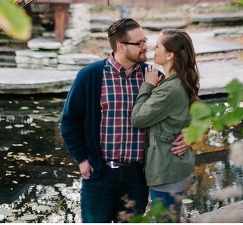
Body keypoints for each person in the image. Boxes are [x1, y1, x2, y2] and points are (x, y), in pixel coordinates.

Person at [60, 18, 190, 223]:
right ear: (120, 46)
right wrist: (82, 159)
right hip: (99, 174)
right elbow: (70, 121)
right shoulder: (90, 76)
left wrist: (192, 134)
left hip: (138, 176)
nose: (145, 47)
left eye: (144, 41)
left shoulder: (154, 76)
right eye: (139, 43)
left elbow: (184, 108)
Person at [131, 29, 198, 221]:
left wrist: (148, 86)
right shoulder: (180, 80)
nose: (153, 48)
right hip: (174, 166)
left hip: (167, 169)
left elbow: (138, 119)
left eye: (158, 45)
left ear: (170, 55)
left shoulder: (170, 87)